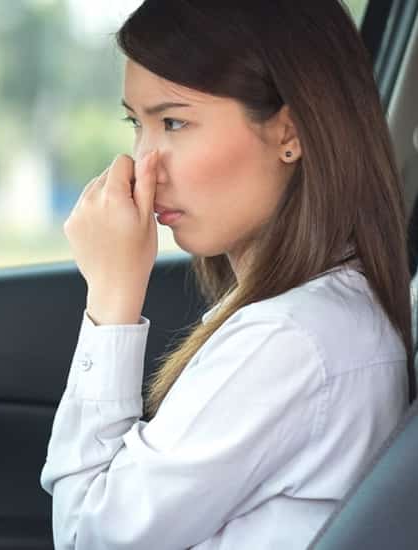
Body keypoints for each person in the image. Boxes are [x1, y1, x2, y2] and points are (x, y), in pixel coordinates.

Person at [39, 1, 414, 549]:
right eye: (135, 124)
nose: (144, 164)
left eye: (173, 122)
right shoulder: (319, 312)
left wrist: (111, 300)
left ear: (291, 131)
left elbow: (86, 538)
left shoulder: (290, 340)